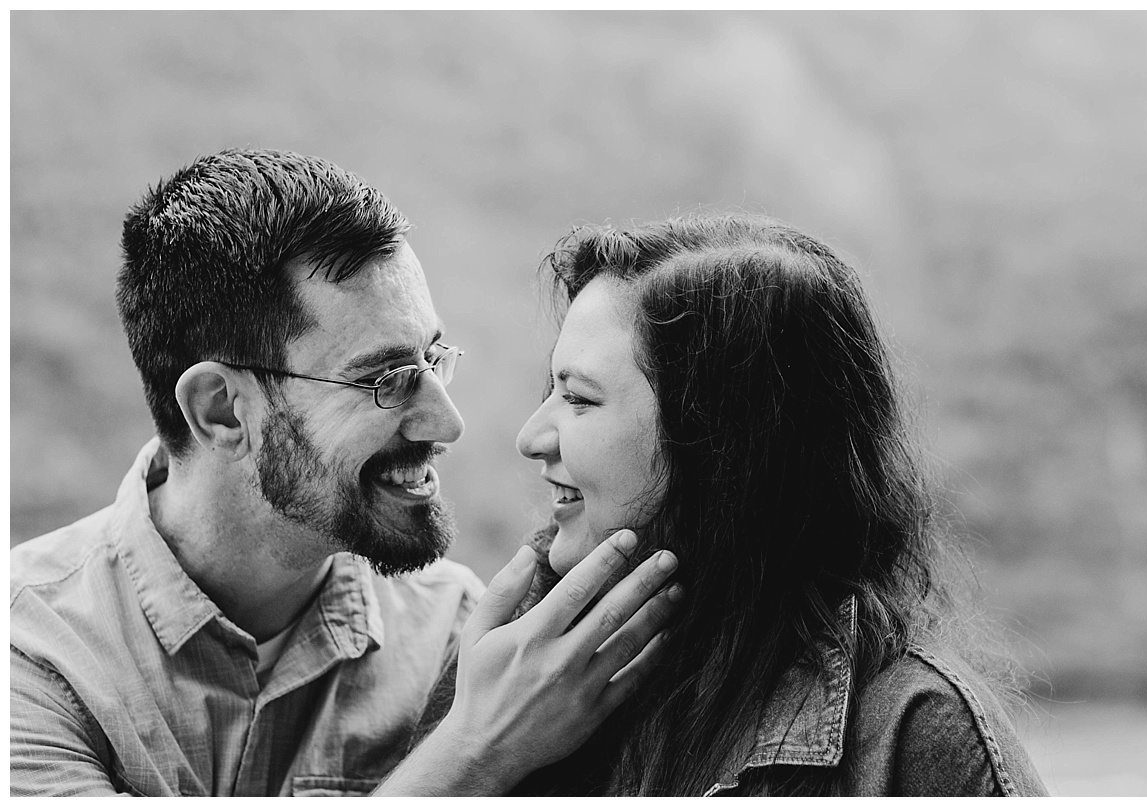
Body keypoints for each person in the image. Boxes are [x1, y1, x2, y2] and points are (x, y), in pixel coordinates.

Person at [9, 149, 682, 797]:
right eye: (386, 379)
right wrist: (474, 753)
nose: (446, 423)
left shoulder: (465, 637)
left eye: (433, 358)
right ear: (220, 411)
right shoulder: (33, 649)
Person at [497, 214, 1048, 795]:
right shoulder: (514, 680)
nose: (532, 436)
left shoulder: (913, 736)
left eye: (579, 399)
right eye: (550, 391)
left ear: (723, 447)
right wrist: (474, 749)